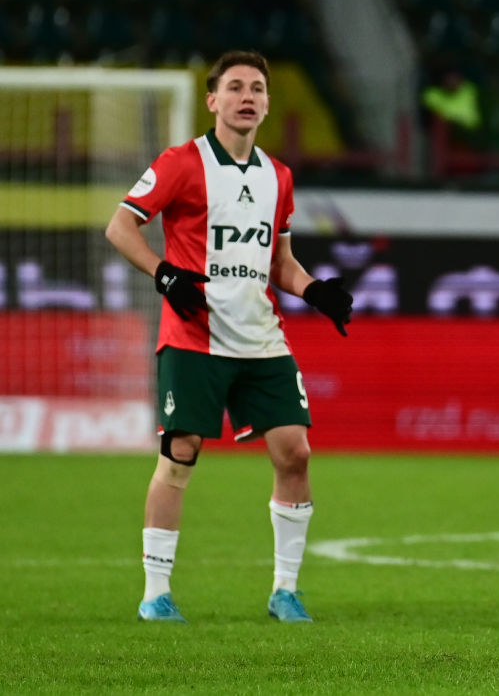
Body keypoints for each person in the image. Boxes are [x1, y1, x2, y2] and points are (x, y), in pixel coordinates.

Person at [105, 50, 354, 624]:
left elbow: (279, 261)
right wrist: (164, 274)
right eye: (236, 87)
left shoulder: (278, 176)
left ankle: (285, 590)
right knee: (180, 456)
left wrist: (315, 290)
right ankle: (155, 593)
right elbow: (121, 226)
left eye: (257, 88)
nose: (248, 96)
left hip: (262, 339)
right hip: (193, 338)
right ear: (212, 100)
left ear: (267, 105)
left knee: (295, 453)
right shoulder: (180, 163)